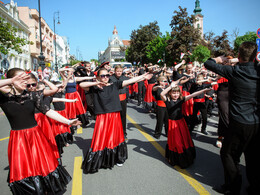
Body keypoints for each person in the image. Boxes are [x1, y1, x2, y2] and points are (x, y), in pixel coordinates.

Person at [0, 68, 81, 194]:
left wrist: (68, 122)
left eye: (25, 78)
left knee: (43, 165)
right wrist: (10, 80)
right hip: (19, 139)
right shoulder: (4, 98)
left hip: (36, 135)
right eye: (21, 78)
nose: (25, 81)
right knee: (24, 169)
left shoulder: (32, 95)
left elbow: (47, 111)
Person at [204, 41, 260, 195]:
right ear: (255, 56)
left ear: (239, 55)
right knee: (253, 157)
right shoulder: (258, 70)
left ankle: (233, 187)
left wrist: (220, 59)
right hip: (256, 122)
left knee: (228, 154)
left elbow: (208, 63)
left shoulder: (234, 71)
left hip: (239, 122)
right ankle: (254, 187)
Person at [80, 68, 153, 173]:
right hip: (102, 116)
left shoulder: (115, 84)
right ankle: (100, 160)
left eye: (107, 75)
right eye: (102, 76)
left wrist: (142, 77)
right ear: (98, 77)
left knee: (115, 137)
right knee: (101, 138)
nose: (105, 78)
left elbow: (130, 81)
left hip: (114, 115)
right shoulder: (94, 88)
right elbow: (82, 85)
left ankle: (117, 158)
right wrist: (96, 83)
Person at [160, 80, 212, 168]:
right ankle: (175, 158)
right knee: (176, 142)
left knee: (184, 140)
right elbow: (162, 94)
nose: (175, 95)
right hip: (172, 123)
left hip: (181, 123)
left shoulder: (181, 99)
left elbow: (192, 95)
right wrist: (170, 86)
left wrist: (203, 91)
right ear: (170, 94)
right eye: (173, 93)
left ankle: (185, 158)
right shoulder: (167, 100)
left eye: (177, 93)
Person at [109, 64, 130, 139]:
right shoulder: (110, 78)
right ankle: (114, 132)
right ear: (114, 71)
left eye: (120, 71)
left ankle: (123, 133)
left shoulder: (125, 78)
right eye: (117, 71)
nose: (119, 73)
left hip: (123, 100)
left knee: (123, 116)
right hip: (114, 99)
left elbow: (132, 81)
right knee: (114, 117)